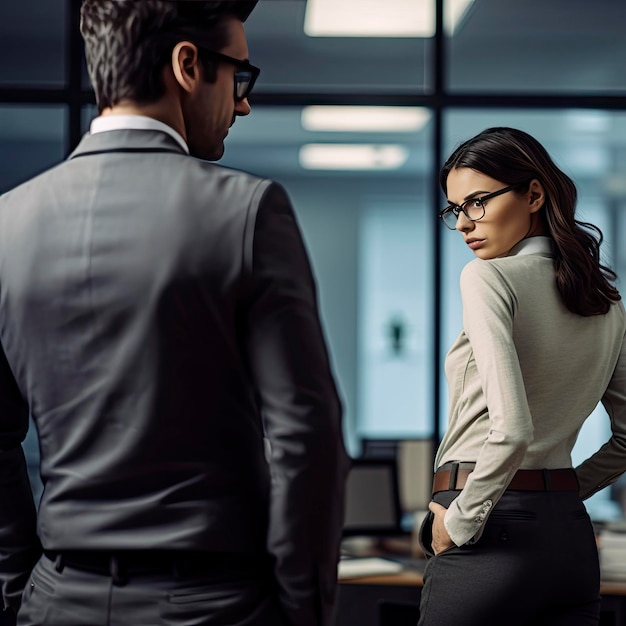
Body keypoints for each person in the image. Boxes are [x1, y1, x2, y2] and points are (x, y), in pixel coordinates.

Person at [0, 2, 349, 625]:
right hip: (211, 606)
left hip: (53, 602)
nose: (243, 104)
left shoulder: (6, 224)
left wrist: (17, 591)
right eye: (240, 77)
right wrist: (301, 613)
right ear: (187, 65)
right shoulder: (247, 211)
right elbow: (305, 434)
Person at [418, 126, 626, 626]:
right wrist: (567, 491)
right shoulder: (607, 301)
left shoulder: (487, 278)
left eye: (478, 202)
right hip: (568, 539)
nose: (465, 223)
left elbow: (511, 430)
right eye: (455, 210)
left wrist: (462, 522)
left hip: (487, 524)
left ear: (534, 193)